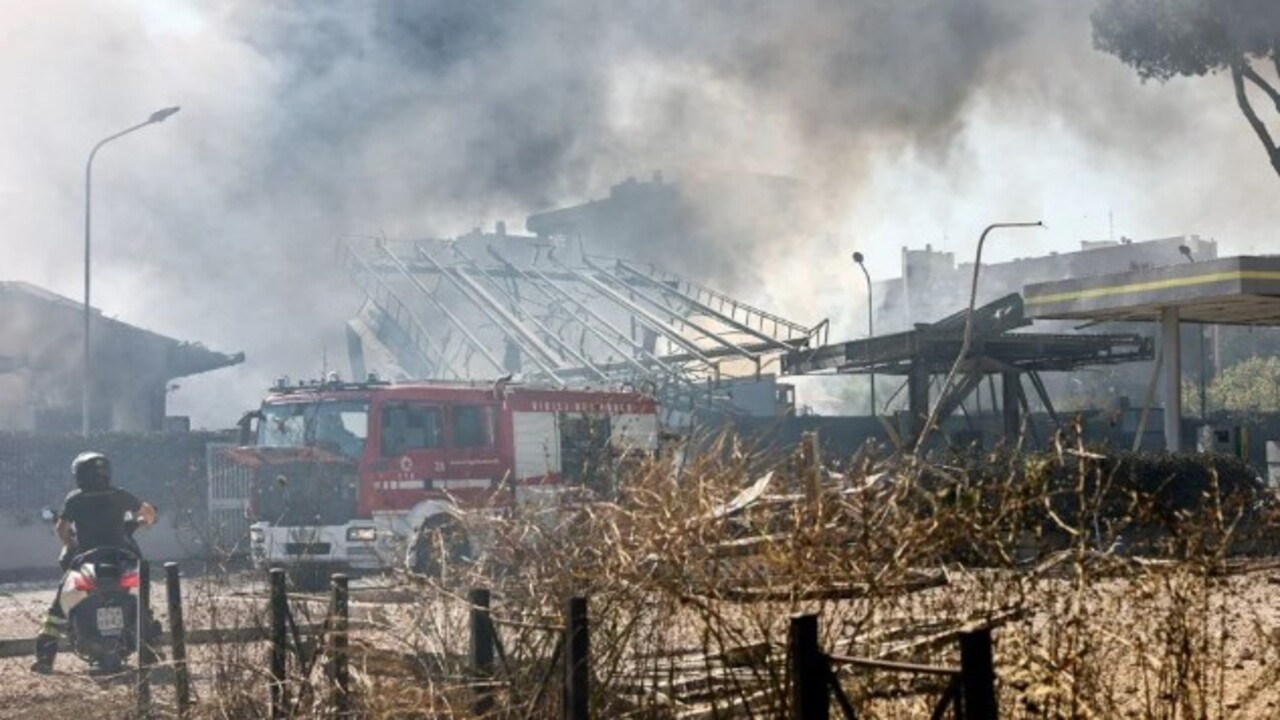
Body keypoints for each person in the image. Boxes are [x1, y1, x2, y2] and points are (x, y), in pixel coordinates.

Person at [30, 451, 157, 674]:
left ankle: (45, 659)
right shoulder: (120, 495)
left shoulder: (75, 498)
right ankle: (152, 651)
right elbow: (147, 512)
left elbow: (62, 528)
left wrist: (70, 545)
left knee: (59, 606)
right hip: (120, 559)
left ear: (79, 475)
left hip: (87, 559)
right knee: (142, 603)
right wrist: (144, 522)